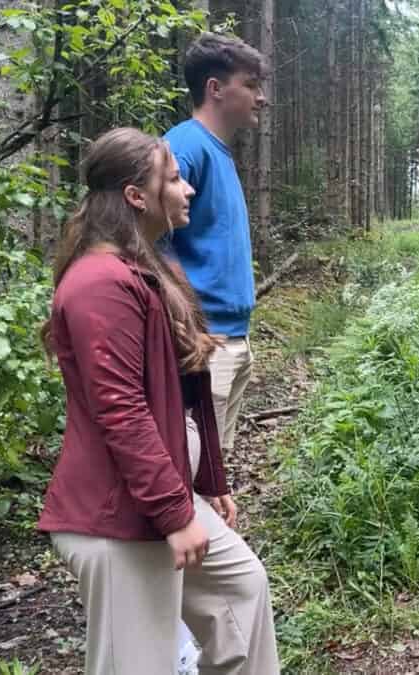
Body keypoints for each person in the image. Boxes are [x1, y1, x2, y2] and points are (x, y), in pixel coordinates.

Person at [38, 127, 279, 674]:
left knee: (243, 590)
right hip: (116, 514)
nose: (187, 189)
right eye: (173, 179)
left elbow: (192, 384)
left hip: (159, 495)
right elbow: (120, 410)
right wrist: (175, 513)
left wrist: (210, 481)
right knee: (139, 663)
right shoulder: (98, 282)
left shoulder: (151, 270)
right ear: (135, 196)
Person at [164, 33, 267, 462]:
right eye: (251, 84)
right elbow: (146, 239)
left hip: (232, 336)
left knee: (214, 468)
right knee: (192, 469)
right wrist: (194, 322)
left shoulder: (216, 151)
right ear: (215, 88)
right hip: (207, 342)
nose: (261, 97)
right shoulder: (184, 146)